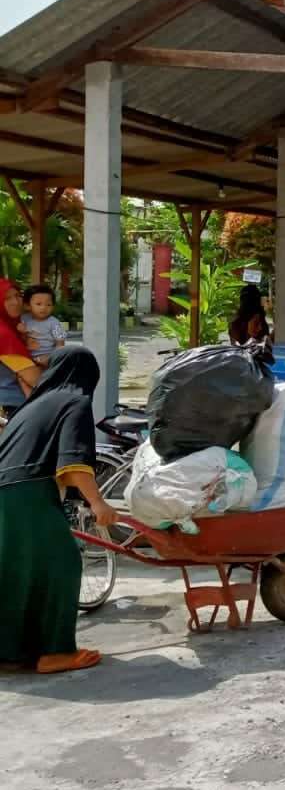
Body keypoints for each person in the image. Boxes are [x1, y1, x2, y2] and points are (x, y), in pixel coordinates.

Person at [0, 349, 117, 673]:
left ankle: (9, 652)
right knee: (63, 564)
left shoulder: (29, 407)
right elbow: (73, 462)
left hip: (5, 491)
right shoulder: (74, 401)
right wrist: (98, 504)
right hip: (30, 491)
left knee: (14, 572)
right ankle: (54, 651)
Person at [0, 279, 43, 402]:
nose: (15, 302)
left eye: (18, 295)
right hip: (12, 406)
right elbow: (34, 379)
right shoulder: (3, 333)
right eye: (6, 298)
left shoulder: (16, 326)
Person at [20, 285, 67, 367]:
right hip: (27, 357)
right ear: (28, 305)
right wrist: (21, 332)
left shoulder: (54, 323)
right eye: (38, 304)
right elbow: (21, 338)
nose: (44, 307)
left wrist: (52, 357)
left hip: (47, 356)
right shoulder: (24, 318)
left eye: (48, 305)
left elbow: (60, 344)